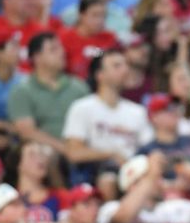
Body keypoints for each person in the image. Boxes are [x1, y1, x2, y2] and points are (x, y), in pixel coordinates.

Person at [63, 48, 151, 185]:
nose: (125, 70)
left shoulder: (138, 111)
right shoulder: (82, 107)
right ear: (100, 75)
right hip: (97, 172)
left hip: (135, 171)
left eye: (125, 65)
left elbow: (148, 147)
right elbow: (74, 152)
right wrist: (112, 154)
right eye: (117, 66)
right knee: (108, 180)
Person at [7, 32, 89, 154]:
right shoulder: (22, 90)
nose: (62, 52)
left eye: (61, 48)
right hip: (46, 152)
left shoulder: (79, 87)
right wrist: (65, 149)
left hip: (81, 149)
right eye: (53, 49)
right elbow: (27, 133)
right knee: (44, 152)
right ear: (37, 57)